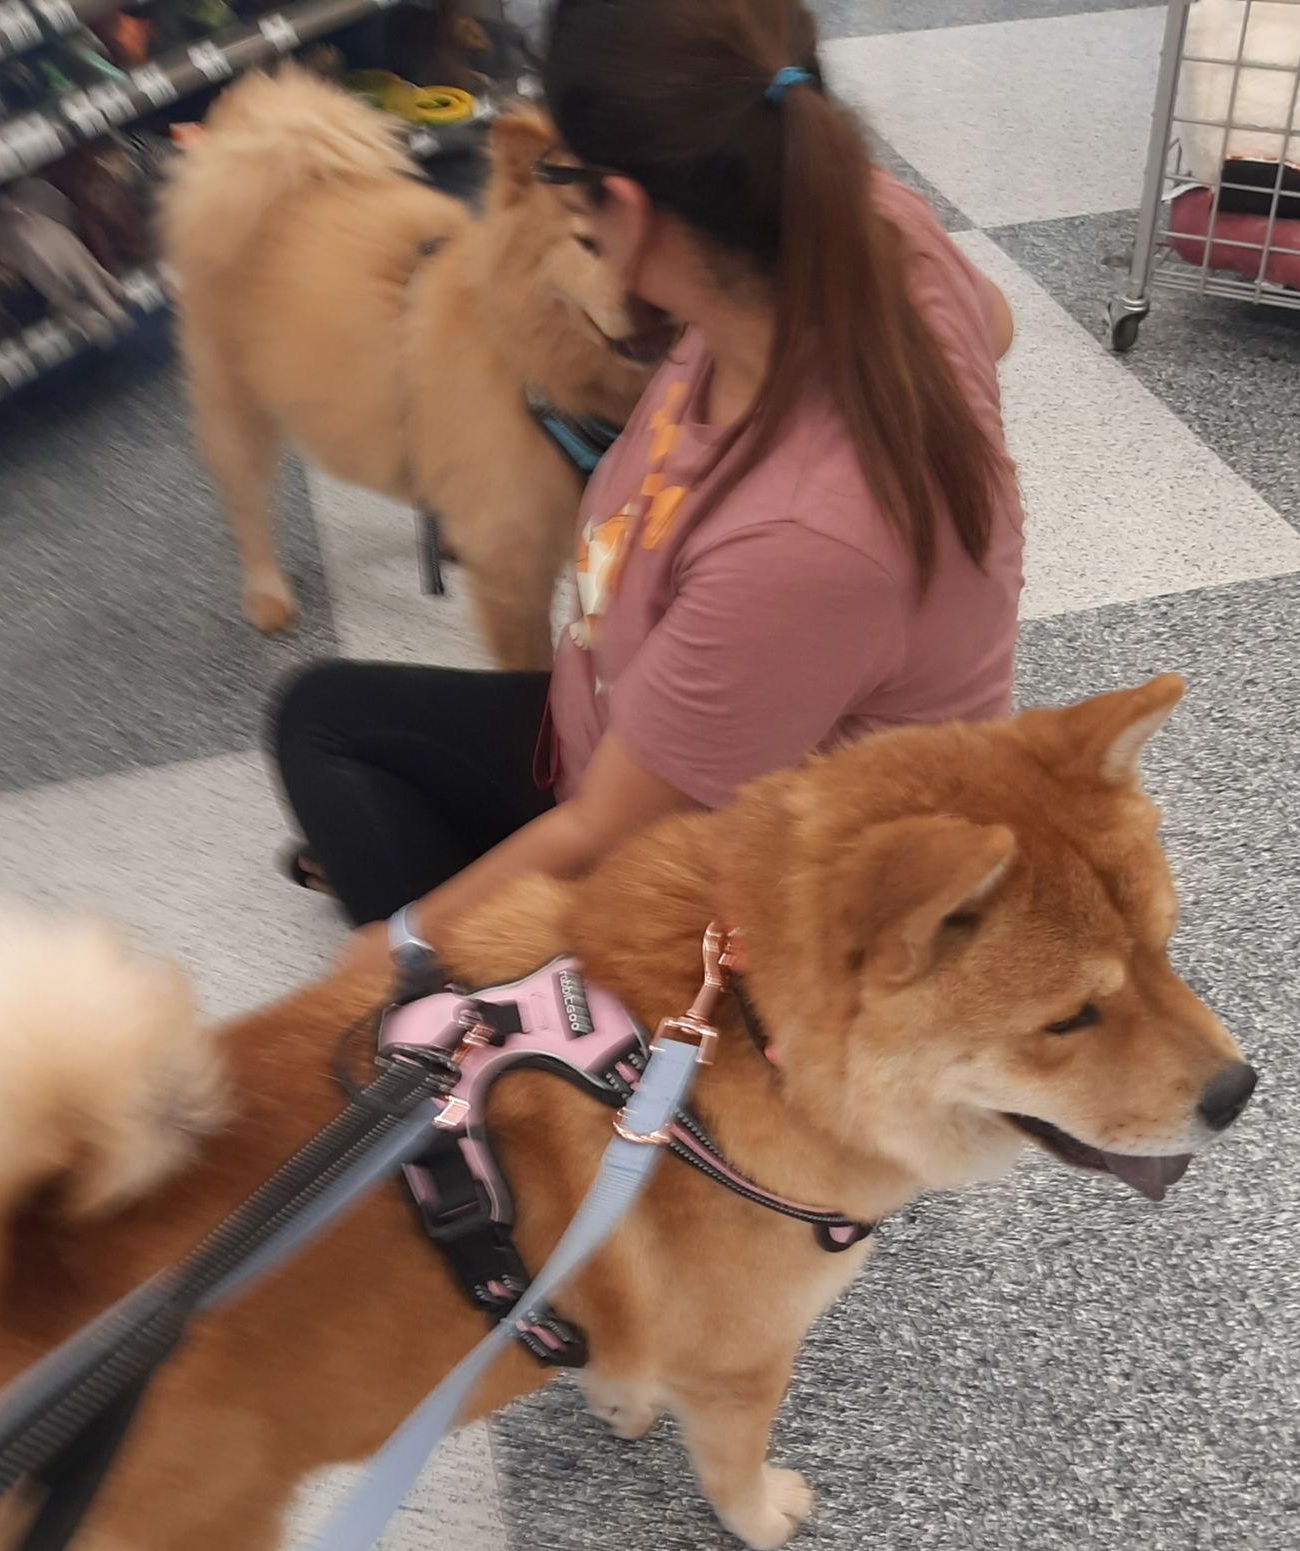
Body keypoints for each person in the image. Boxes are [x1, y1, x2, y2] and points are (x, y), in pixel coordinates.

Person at [270, 0, 1024, 931]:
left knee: (394, 952)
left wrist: (375, 978)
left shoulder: (801, 543)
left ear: (623, 208)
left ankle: (489, 1006)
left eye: (571, 182)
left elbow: (600, 835)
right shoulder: (869, 227)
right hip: (655, 727)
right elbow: (994, 325)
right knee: (321, 715)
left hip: (743, 877)